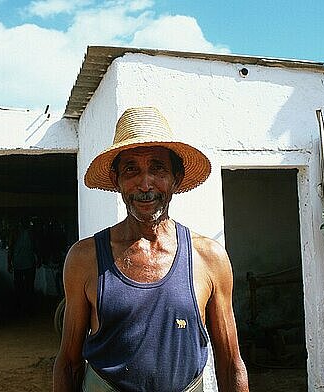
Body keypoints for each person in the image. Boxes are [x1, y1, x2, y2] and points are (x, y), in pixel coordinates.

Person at [53, 107, 249, 391]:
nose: (145, 184)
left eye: (157, 168)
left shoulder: (209, 257)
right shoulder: (86, 259)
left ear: (176, 178)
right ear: (115, 180)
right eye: (131, 169)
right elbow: (69, 363)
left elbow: (231, 364)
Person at [8, 218, 39, 314]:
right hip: (25, 263)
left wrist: (9, 263)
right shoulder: (28, 233)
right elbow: (35, 247)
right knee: (27, 287)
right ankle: (25, 307)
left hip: (22, 263)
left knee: (21, 287)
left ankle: (23, 307)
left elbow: (10, 249)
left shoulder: (16, 233)